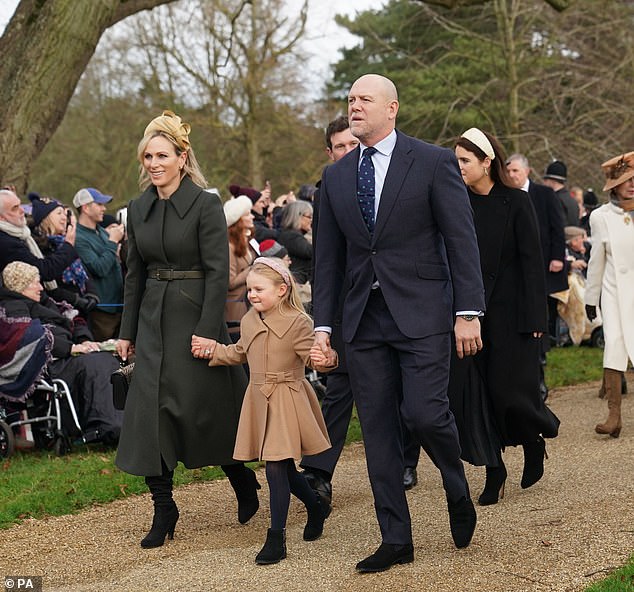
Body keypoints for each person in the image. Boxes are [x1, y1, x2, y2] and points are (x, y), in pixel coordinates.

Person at [312, 74, 485, 573]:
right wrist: (323, 327)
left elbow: (461, 240)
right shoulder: (338, 177)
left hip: (424, 312)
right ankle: (396, 538)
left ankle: (455, 481)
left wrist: (467, 312)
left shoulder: (431, 162)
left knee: (426, 414)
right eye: (349, 100)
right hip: (362, 322)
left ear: (392, 109)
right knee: (381, 432)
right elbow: (328, 261)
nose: (354, 106)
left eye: (364, 99)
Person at [114, 110, 257, 549]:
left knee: (204, 412)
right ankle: (164, 508)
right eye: (147, 156)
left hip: (195, 318)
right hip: (153, 322)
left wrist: (210, 331)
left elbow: (218, 273)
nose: (153, 163)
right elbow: (134, 275)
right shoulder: (137, 210)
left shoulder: (205, 204)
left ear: (182, 157)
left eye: (162, 155)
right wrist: (127, 331)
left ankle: (241, 478)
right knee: (150, 416)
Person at [300, 115, 419, 509]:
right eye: (339, 147)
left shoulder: (390, 179)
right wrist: (324, 322)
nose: (348, 152)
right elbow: (325, 261)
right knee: (338, 391)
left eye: (353, 145)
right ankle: (318, 473)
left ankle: (404, 458)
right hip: (349, 309)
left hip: (391, 305)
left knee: (398, 390)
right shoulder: (329, 189)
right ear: (329, 152)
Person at [452, 128, 560, 506]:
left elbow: (533, 262)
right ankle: (493, 468)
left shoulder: (516, 201)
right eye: (456, 160)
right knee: (474, 396)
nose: (458, 166)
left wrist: (536, 320)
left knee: (510, 393)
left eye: (465, 160)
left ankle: (533, 439)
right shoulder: (456, 202)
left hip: (513, 314)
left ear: (486, 162)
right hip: (468, 315)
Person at [207, 257, 335, 565]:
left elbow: (314, 359)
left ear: (281, 289)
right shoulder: (250, 320)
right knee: (285, 468)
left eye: (258, 289)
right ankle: (316, 506)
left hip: (287, 397)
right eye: (249, 289)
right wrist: (212, 350)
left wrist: (326, 358)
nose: (251, 294)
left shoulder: (298, 322)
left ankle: (276, 537)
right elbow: (240, 352)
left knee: (277, 466)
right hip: (258, 398)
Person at [0, 261, 123, 444]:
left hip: (68, 357)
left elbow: (75, 319)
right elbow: (28, 337)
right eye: (36, 282)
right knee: (98, 364)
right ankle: (108, 428)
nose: (41, 287)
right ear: (21, 284)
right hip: (46, 365)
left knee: (111, 360)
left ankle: (120, 425)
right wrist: (70, 348)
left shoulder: (47, 303)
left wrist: (84, 340)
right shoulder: (12, 307)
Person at [506, 154, 567, 396]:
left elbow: (557, 228)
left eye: (515, 171)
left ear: (527, 171)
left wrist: (557, 258)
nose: (511, 175)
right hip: (516, 270)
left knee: (541, 319)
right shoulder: (505, 196)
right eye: (508, 171)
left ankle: (540, 374)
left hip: (543, 267)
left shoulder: (543, 194)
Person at [585, 151, 634, 438]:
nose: (631, 185)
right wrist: (591, 301)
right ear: (613, 185)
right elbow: (596, 262)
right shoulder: (600, 217)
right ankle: (614, 416)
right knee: (614, 346)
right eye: (626, 180)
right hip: (615, 293)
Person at [27, 192, 100, 318]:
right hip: (61, 311)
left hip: (82, 310)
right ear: (46, 218)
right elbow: (50, 282)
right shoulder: (39, 247)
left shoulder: (64, 242)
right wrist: (75, 299)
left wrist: (91, 295)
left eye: (65, 214)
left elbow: (84, 272)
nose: (64, 218)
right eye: (59, 213)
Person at [73, 187, 125, 341]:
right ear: (86, 208)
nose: (104, 208)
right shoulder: (78, 237)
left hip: (117, 306)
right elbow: (99, 268)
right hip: (101, 311)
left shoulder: (101, 232)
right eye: (99, 204)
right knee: (104, 356)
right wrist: (113, 242)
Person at [0, 189, 79, 285]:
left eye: (20, 205)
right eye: (14, 208)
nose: (22, 210)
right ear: (1, 217)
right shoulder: (6, 243)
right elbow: (44, 271)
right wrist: (68, 245)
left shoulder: (23, 235)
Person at [223, 194, 259, 341]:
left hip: (250, 305)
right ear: (238, 220)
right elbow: (230, 282)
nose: (252, 217)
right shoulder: (229, 247)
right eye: (248, 214)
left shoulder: (248, 241)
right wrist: (253, 269)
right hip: (236, 310)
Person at [277, 201, 313, 285]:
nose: (311, 220)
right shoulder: (291, 236)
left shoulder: (292, 235)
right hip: (297, 284)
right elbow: (312, 252)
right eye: (309, 217)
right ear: (297, 216)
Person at [542, 160, 580, 226]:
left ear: (552, 181)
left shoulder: (554, 200)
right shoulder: (572, 200)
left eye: (545, 180)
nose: (544, 183)